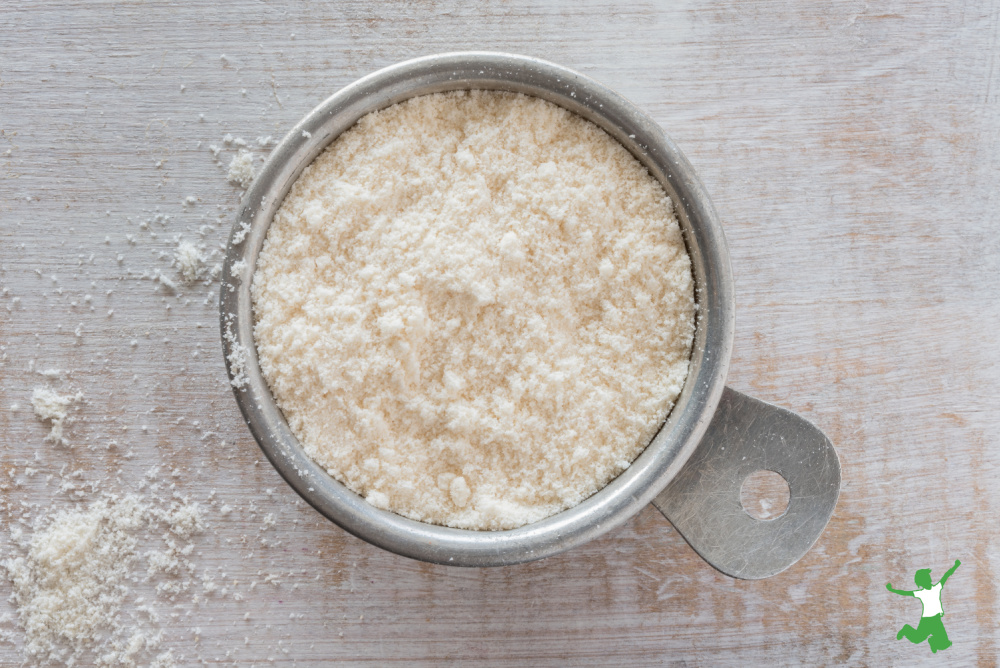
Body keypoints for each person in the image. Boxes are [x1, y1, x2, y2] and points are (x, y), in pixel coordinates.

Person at [886, 560, 961, 653]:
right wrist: (891, 589)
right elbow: (905, 593)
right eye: (925, 578)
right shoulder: (921, 593)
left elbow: (946, 575)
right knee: (917, 639)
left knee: (945, 644)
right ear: (921, 582)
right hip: (926, 621)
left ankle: (932, 641)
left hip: (936, 620)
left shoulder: (937, 588)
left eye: (928, 577)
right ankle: (906, 629)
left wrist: (955, 566)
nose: (928, 579)